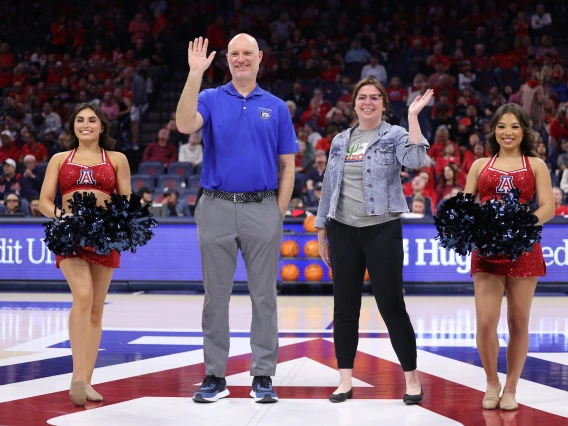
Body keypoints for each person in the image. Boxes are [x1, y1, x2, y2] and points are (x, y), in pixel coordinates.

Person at [175, 35, 298, 404]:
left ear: (260, 58)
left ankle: (262, 375)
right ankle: (215, 376)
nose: (241, 59)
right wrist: (195, 74)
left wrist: (276, 212)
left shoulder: (276, 107)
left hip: (262, 207)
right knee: (216, 297)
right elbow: (184, 125)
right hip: (215, 205)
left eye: (247, 53)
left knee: (265, 297)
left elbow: (288, 164)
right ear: (226, 60)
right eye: (234, 54)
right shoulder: (211, 98)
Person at [315, 76, 433, 404]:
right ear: (354, 104)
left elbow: (416, 160)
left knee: (392, 305)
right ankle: (344, 380)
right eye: (362, 97)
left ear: (383, 103)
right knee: (344, 308)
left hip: (382, 229)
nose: (368, 102)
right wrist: (322, 229)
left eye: (375, 97)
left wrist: (413, 117)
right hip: (341, 230)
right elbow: (329, 186)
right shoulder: (340, 140)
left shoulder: (394, 134)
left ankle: (411, 380)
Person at [39, 102, 132, 407]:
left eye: (92, 120)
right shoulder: (60, 159)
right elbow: (43, 201)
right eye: (80, 120)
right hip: (70, 233)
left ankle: (87, 380)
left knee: (96, 309)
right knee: (83, 295)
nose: (86, 124)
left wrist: (118, 223)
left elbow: (125, 200)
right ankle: (77, 376)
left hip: (105, 236)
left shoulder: (117, 159)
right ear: (73, 127)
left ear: (102, 126)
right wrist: (62, 218)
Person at [463, 103, 554, 411]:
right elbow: (465, 205)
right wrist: (461, 215)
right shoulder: (479, 165)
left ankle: (511, 387)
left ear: (524, 131)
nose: (508, 132)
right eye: (502, 126)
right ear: (494, 131)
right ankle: (492, 382)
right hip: (487, 250)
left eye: (514, 126)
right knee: (486, 323)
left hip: (523, 248)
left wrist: (520, 226)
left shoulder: (536, 165)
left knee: (518, 321)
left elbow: (548, 208)